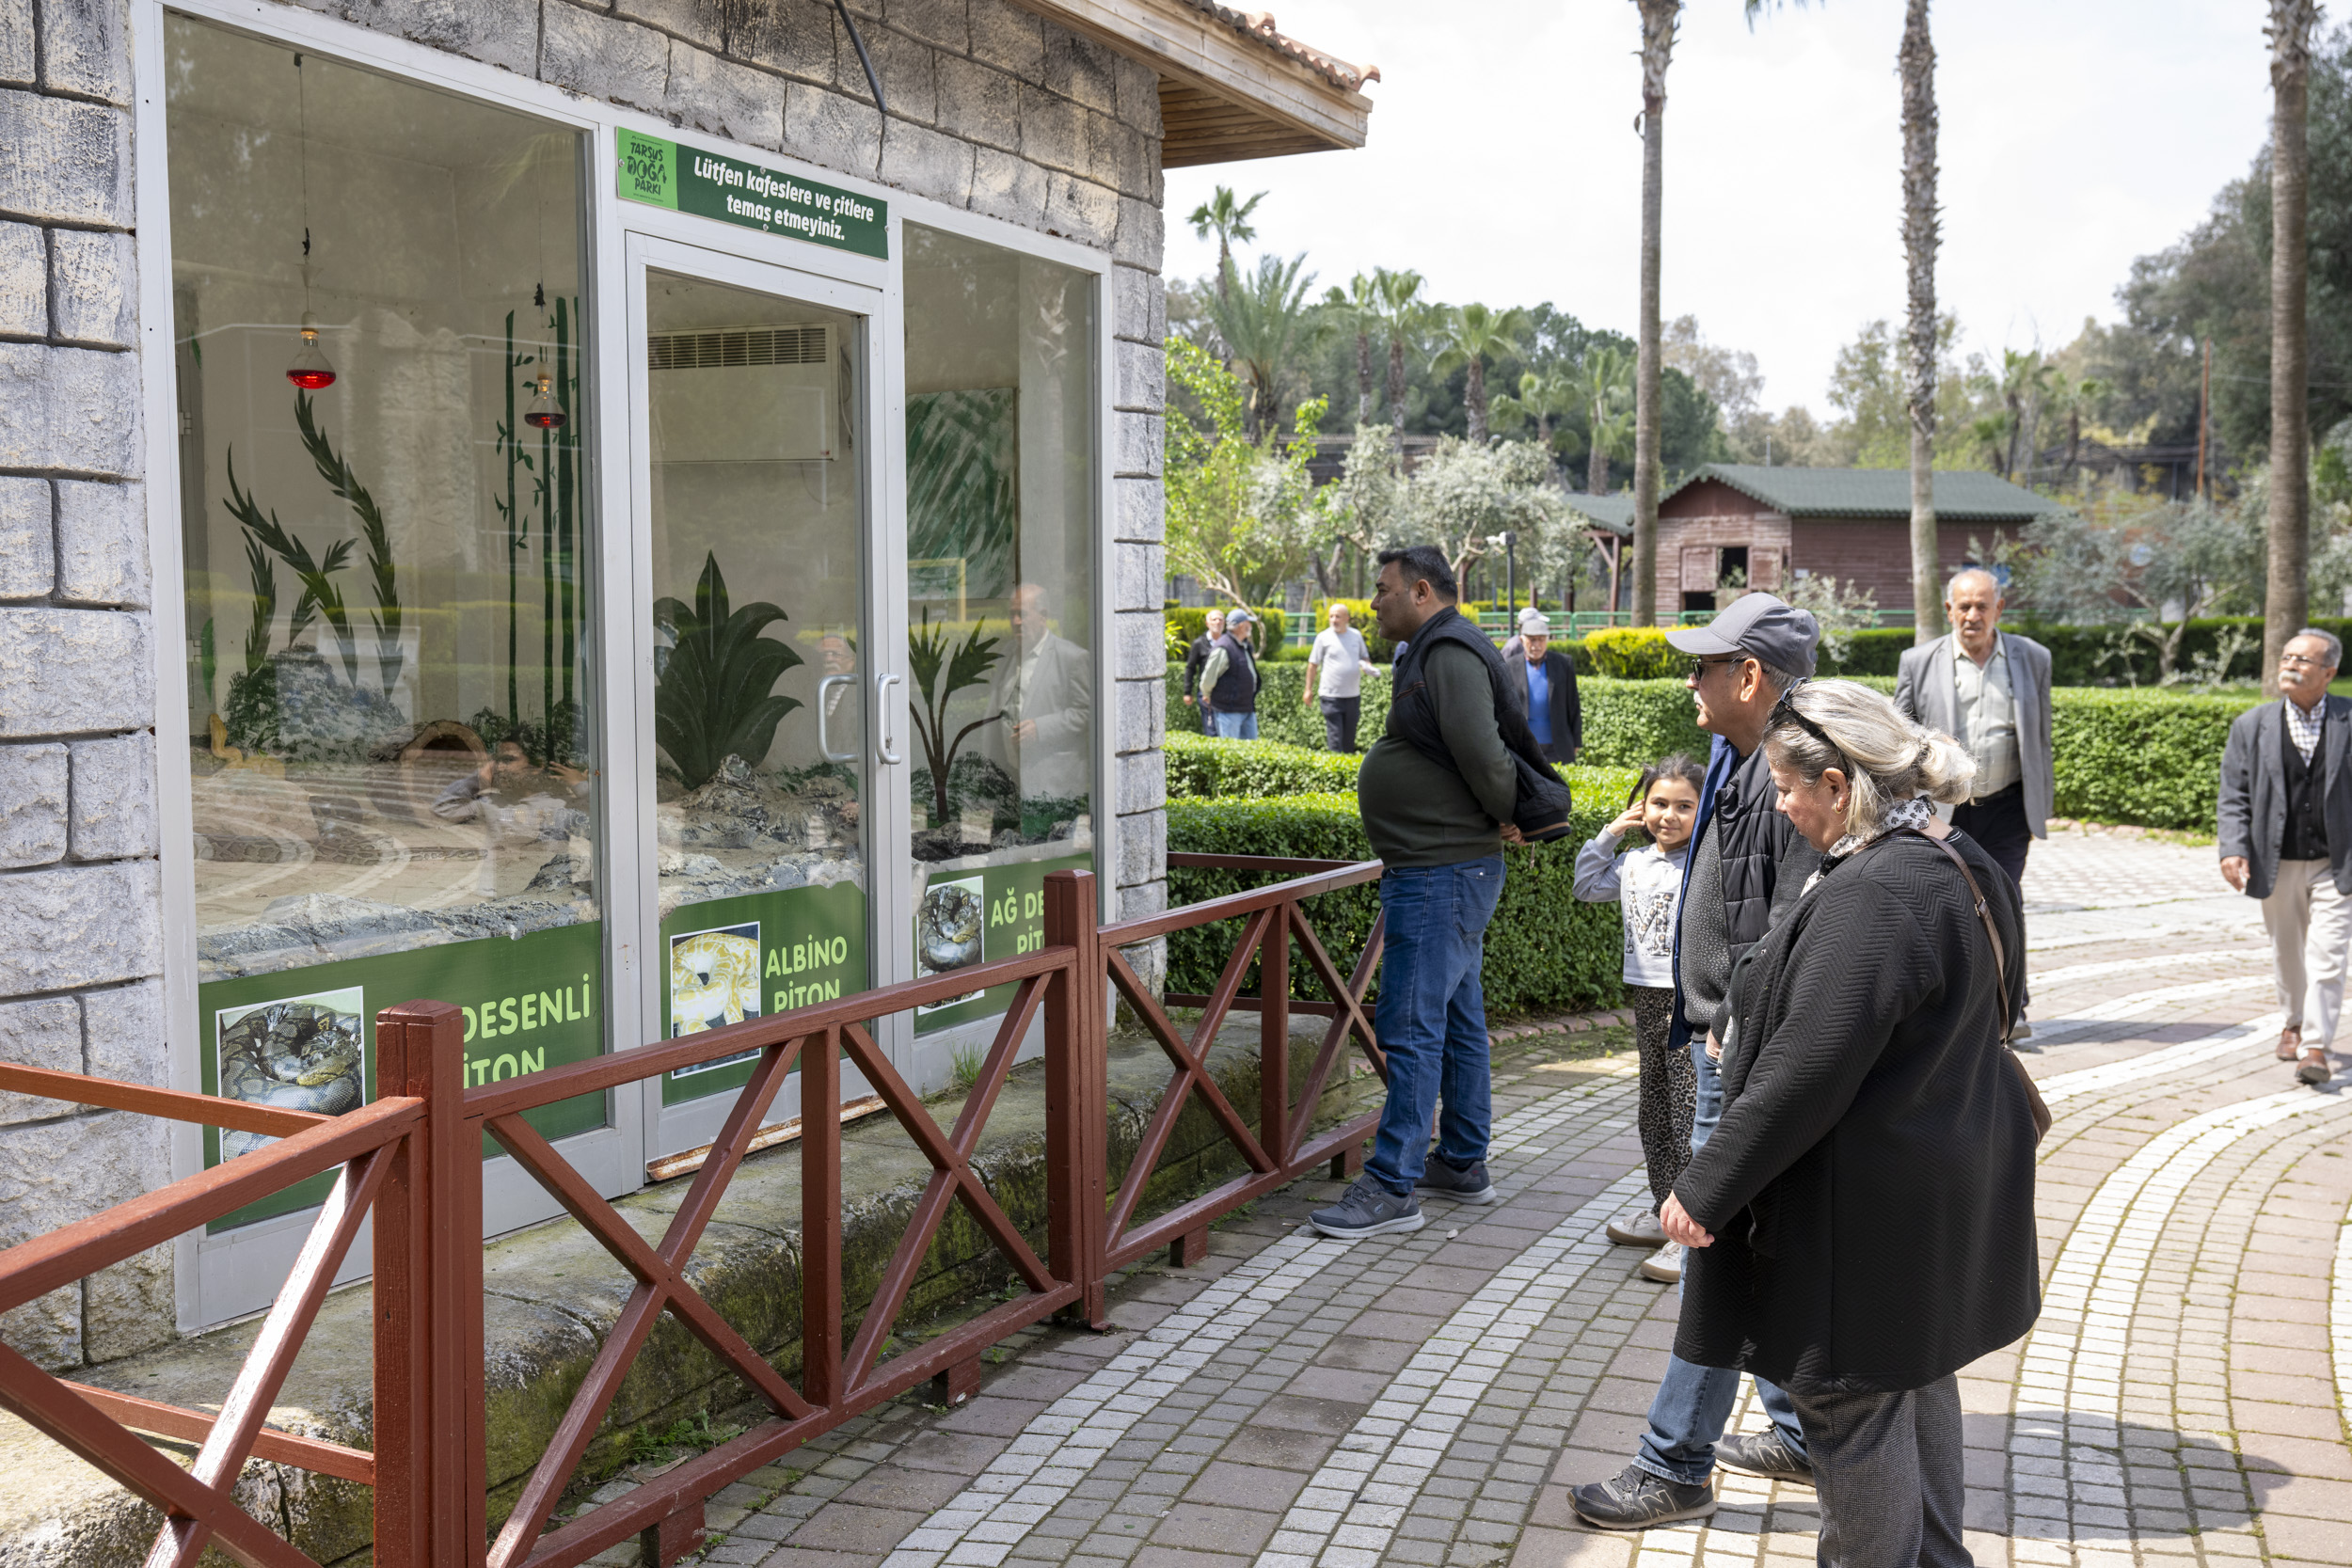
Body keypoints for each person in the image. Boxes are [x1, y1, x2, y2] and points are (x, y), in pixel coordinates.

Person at [1661, 677, 2039, 1568]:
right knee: (1915, 1380)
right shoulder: (1960, 859)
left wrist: (1704, 1188)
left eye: (1789, 785)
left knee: (1849, 1403)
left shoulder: (1877, 893)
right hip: (1936, 1188)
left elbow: (1810, 1069)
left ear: (1839, 785)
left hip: (1862, 1218)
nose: (1781, 802)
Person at [1572, 591, 1823, 1528]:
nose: (1690, 680)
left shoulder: (1793, 765)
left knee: (1714, 1247)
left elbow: (1796, 920)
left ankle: (1673, 1462)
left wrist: (1734, 1022)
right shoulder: (1740, 750)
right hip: (1727, 1037)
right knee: (1747, 1247)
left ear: (1749, 676)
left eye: (1705, 665)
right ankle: (1799, 1431)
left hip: (1743, 1051)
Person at [1310, 545, 1537, 1238]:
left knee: (1410, 1025)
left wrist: (1509, 810)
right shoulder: (1434, 647)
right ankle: (1462, 1160)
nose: (1373, 601)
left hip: (1441, 871)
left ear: (1419, 590)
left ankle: (1391, 1184)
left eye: (1382, 590)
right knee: (1459, 1017)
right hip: (1445, 867)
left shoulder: (1447, 653)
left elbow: (1483, 751)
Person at [1895, 568, 2053, 1038]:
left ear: (1998, 609)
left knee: (2005, 894)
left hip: (2007, 805)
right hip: (1944, 806)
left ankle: (2013, 1004)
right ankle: (1951, 1004)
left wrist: (2042, 798)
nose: (1972, 615)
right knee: (1949, 899)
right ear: (1949, 610)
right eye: (1963, 606)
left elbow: (2039, 733)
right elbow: (1900, 735)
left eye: (1982, 605)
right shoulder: (1918, 662)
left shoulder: (2033, 658)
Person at [1575, 754, 1706, 1282]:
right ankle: (1663, 1211)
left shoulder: (1703, 863)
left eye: (1683, 806)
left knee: (1687, 1112)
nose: (1668, 815)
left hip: (1689, 1000)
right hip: (1646, 1000)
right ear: (1640, 806)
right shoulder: (1631, 863)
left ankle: (1690, 1233)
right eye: (1658, 804)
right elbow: (1586, 884)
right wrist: (1609, 833)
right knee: (1653, 1107)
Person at [2217, 627, 2352, 1086]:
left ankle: (2315, 1046)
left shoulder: (2348, 720)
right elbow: (2234, 795)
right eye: (2287, 657)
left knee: (2328, 955)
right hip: (2277, 861)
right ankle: (2292, 1021)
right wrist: (2234, 848)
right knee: (2288, 951)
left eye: (2303, 660)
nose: (2290, 665)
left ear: (2329, 672)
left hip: (2338, 863)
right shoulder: (2251, 726)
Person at [989, 583, 1092, 802]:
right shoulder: (1007, 653)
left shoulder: (1071, 657)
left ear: (1043, 616)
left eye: (1022, 614)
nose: (1016, 621)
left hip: (1052, 784)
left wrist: (1041, 729)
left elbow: (1086, 712)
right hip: (1009, 780)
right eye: (1012, 614)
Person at [1502, 607, 1581, 763]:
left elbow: (1573, 704)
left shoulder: (1563, 664)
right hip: (1523, 746)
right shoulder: (1510, 666)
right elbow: (1503, 708)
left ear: (1547, 639)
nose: (1536, 645)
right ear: (1521, 640)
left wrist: (1576, 741)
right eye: (1531, 639)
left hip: (1557, 746)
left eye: (1541, 639)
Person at [1303, 601, 1375, 752]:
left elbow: (1365, 657)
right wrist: (1308, 689)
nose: (1334, 620)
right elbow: (1313, 665)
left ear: (1347, 618)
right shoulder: (1323, 637)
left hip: (1353, 696)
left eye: (1338, 616)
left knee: (1349, 741)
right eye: (1331, 616)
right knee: (1335, 739)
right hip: (1331, 697)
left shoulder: (1356, 636)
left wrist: (1367, 667)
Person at [1199, 609, 1262, 740]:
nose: (1250, 626)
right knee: (1232, 753)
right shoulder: (1223, 647)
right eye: (1248, 623)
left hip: (1247, 707)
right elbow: (1208, 679)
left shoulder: (1244, 645)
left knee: (1251, 752)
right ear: (1241, 626)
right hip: (1228, 711)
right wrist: (1207, 695)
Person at [1182, 609, 1226, 730]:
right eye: (1214, 619)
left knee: (1226, 731)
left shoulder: (1229, 643)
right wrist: (1187, 692)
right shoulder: (1199, 643)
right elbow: (1190, 668)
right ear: (1207, 624)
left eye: (1220, 619)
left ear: (1224, 623)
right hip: (1207, 694)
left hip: (1226, 694)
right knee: (1211, 730)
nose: (1217, 622)